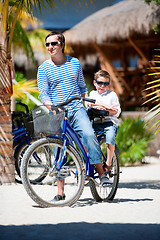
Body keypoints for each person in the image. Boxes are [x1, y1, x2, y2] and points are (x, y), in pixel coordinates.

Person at [37, 31, 111, 201]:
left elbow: (81, 86)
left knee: (89, 135)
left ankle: (101, 174)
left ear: (62, 45)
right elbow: (44, 93)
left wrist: (87, 103)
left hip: (77, 108)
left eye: (54, 43)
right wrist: (51, 107)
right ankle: (60, 192)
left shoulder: (74, 63)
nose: (50, 47)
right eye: (47, 44)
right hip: (56, 111)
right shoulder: (43, 69)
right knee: (57, 149)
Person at [89, 70, 121, 173]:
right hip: (96, 122)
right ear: (95, 83)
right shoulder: (92, 93)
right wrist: (107, 107)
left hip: (109, 122)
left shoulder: (112, 95)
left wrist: (100, 106)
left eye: (105, 84)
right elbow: (90, 105)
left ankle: (108, 163)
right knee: (87, 138)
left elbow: (116, 111)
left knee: (110, 138)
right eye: (100, 83)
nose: (102, 86)